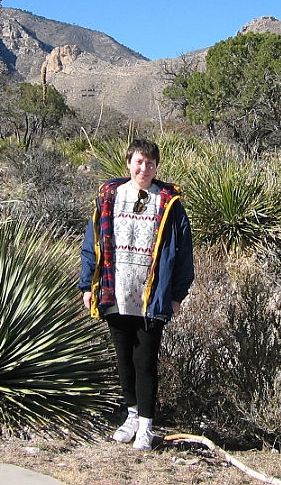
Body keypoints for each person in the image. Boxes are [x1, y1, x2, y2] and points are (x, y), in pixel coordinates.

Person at [79, 138, 194, 450]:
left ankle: (146, 424)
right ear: (129, 163)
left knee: (145, 360)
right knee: (123, 357)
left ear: (156, 167)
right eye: (139, 162)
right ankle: (131, 414)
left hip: (150, 295)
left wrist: (177, 294)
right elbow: (92, 245)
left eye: (151, 163)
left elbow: (183, 253)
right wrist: (87, 284)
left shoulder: (169, 203)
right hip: (115, 289)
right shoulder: (109, 197)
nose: (145, 168)